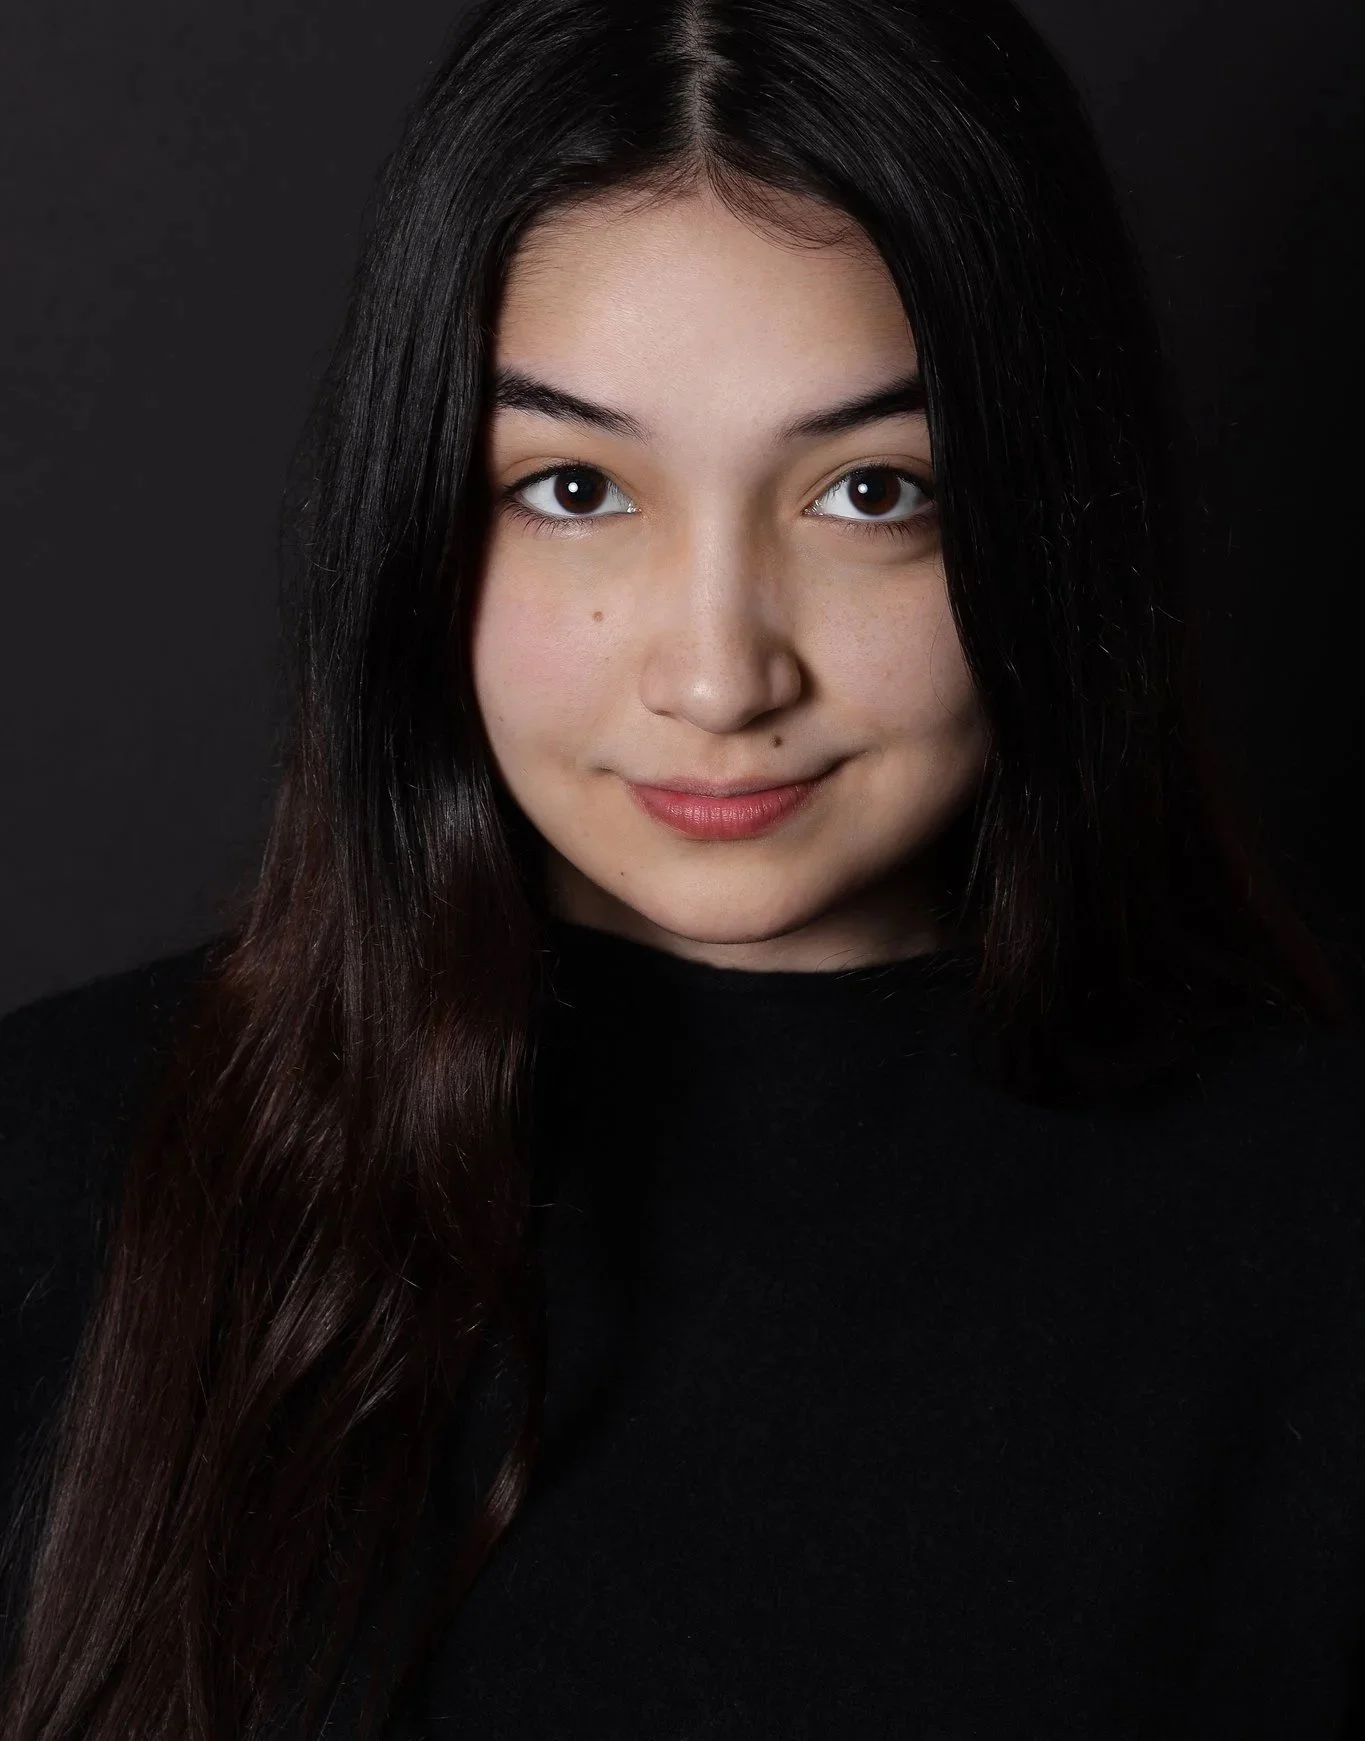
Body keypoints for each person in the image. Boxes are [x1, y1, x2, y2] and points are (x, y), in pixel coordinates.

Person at [2, 0, 1363, 1735]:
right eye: (575, 488)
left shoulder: (1316, 1246)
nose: (720, 677)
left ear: (1052, 511)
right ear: (414, 517)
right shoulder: (57, 1176)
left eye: (875, 493)